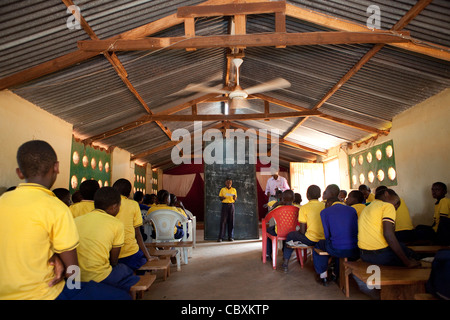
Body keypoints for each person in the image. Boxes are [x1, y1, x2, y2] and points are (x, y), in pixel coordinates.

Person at [0, 140, 130, 300]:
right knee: (121, 296)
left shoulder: (3, 201)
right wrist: (75, 289)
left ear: (19, 172)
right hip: (45, 293)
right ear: (56, 167)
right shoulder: (56, 208)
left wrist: (54, 256)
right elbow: (72, 268)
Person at [75, 187, 139, 293]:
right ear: (114, 207)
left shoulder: (76, 220)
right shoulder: (116, 224)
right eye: (119, 206)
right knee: (124, 269)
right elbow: (114, 261)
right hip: (98, 276)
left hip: (75, 276)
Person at [358, 188, 420, 267]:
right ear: (387, 194)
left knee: (402, 247)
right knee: (411, 256)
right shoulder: (388, 206)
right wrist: (407, 262)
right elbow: (388, 234)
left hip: (364, 255)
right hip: (380, 256)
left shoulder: (368, 207)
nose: (395, 208)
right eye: (397, 203)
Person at [313, 185, 359, 286]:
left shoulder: (325, 212)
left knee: (318, 246)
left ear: (329, 203)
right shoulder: (352, 210)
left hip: (336, 248)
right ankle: (335, 273)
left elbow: (327, 235)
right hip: (355, 249)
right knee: (340, 249)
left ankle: (323, 276)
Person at [282, 185, 325, 272]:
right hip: (324, 239)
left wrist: (298, 232)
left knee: (290, 235)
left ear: (307, 195)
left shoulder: (304, 208)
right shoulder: (325, 206)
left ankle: (285, 263)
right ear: (320, 195)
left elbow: (302, 231)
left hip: (310, 239)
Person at [113, 178, 152, 271]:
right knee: (142, 264)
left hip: (110, 254)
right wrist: (148, 256)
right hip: (130, 252)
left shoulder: (107, 204)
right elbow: (137, 233)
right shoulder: (133, 204)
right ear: (129, 193)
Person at [265, 189, 297, 260]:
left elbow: (266, 217)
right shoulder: (297, 208)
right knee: (287, 228)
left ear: (282, 198)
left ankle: (268, 255)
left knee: (267, 230)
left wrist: (275, 206)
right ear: (294, 198)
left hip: (279, 232)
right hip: (292, 232)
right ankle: (284, 251)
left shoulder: (278, 207)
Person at [218, 178, 237, 242]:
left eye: (230, 183)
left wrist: (234, 197)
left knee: (231, 221)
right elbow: (220, 198)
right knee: (223, 221)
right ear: (225, 183)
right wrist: (222, 197)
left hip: (231, 205)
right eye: (227, 183)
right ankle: (221, 237)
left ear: (231, 183)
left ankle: (230, 237)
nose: (229, 184)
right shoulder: (222, 189)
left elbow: (235, 199)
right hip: (224, 205)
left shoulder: (234, 190)